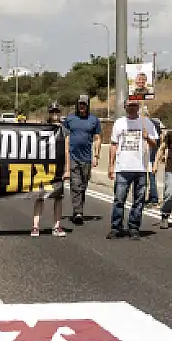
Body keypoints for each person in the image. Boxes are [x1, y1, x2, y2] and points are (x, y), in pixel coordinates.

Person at [106, 96, 159, 238]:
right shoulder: (119, 123)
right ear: (125, 107)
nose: (132, 108)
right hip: (123, 168)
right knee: (119, 199)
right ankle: (116, 227)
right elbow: (113, 144)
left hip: (140, 168)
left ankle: (134, 227)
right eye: (129, 105)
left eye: (135, 105)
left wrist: (147, 137)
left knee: (139, 200)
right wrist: (111, 165)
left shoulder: (146, 123)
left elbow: (155, 144)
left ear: (138, 107)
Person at [61, 94, 103, 225]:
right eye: (80, 104)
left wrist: (96, 156)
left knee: (83, 186)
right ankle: (77, 212)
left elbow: (97, 138)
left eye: (84, 104)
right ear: (77, 105)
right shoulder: (70, 119)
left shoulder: (94, 120)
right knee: (75, 185)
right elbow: (64, 137)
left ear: (88, 105)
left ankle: (79, 209)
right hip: (73, 157)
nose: (82, 106)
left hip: (87, 159)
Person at [32, 103, 67, 236]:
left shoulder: (64, 129)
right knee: (40, 196)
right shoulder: (42, 127)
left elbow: (67, 150)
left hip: (57, 168)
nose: (55, 115)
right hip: (42, 167)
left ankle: (57, 226)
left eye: (57, 112)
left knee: (58, 197)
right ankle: (35, 226)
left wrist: (67, 169)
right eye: (52, 112)